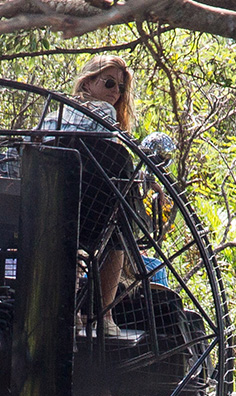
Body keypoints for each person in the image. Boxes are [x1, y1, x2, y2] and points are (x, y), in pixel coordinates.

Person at [40, 56, 137, 336]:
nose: (115, 93)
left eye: (120, 88)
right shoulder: (103, 114)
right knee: (118, 234)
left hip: (51, 207)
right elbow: (111, 163)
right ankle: (102, 317)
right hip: (92, 212)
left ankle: (66, 314)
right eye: (108, 83)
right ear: (87, 82)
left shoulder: (52, 116)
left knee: (66, 240)